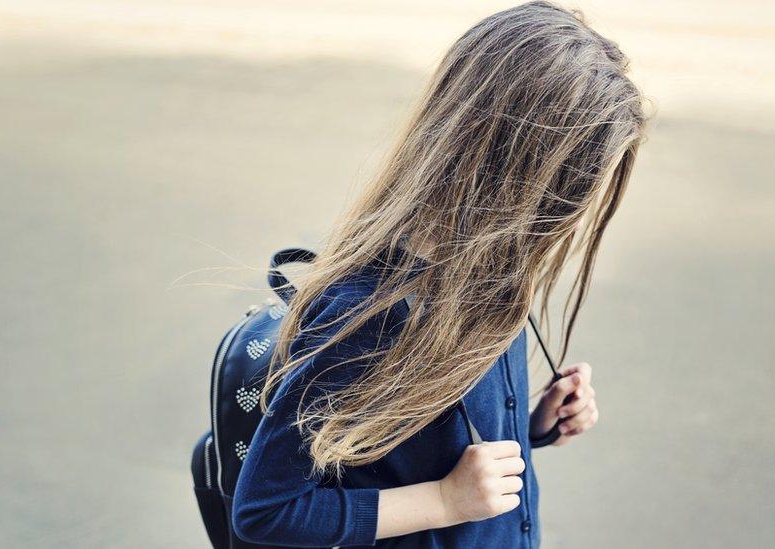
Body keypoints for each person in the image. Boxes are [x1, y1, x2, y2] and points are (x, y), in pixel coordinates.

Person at [231, 2, 645, 547]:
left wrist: (533, 424)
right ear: (523, 180)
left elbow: (432, 439)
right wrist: (445, 501)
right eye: (571, 190)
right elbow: (265, 510)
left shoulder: (494, 275)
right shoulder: (370, 315)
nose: (572, 214)